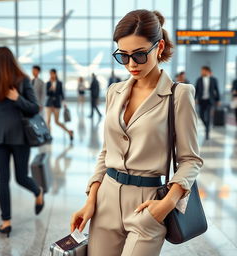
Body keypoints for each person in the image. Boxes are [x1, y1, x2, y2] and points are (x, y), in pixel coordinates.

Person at [70, 10, 203, 256]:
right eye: (124, 56)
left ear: (159, 46)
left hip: (147, 204)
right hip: (105, 201)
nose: (132, 64)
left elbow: (190, 160)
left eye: (140, 54)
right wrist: (91, 200)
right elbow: (107, 151)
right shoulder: (114, 91)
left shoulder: (179, 95)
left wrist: (165, 205)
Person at [0, 47, 44, 238]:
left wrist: (17, 98)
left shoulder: (22, 80)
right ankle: (6, 221)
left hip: (19, 135)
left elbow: (34, 108)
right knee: (3, 180)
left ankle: (38, 191)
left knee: (20, 177)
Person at [45, 68, 73, 142]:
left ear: (55, 74)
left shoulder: (59, 83)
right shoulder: (48, 83)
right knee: (48, 121)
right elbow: (47, 93)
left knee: (57, 122)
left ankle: (69, 132)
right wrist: (50, 89)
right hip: (49, 104)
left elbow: (61, 94)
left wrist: (64, 103)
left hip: (57, 104)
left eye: (52, 73)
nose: (51, 75)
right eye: (50, 74)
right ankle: (49, 136)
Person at [195, 66, 220, 140]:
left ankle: (207, 133)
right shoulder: (199, 79)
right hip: (201, 100)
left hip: (210, 101)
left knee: (208, 116)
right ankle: (207, 126)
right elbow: (196, 90)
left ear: (207, 71)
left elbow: (217, 90)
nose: (201, 72)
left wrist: (218, 100)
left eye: (202, 71)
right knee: (201, 115)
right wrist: (194, 99)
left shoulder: (213, 80)